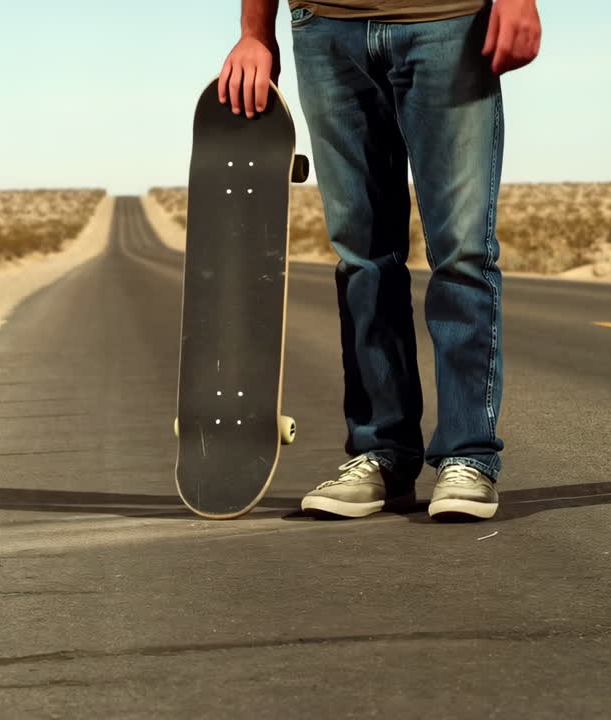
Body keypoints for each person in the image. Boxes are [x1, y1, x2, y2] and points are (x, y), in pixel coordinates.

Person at [218, 0, 541, 521]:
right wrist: (255, 32)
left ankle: (467, 456)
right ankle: (382, 456)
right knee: (362, 257)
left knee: (462, 252)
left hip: (447, 21)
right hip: (324, 29)